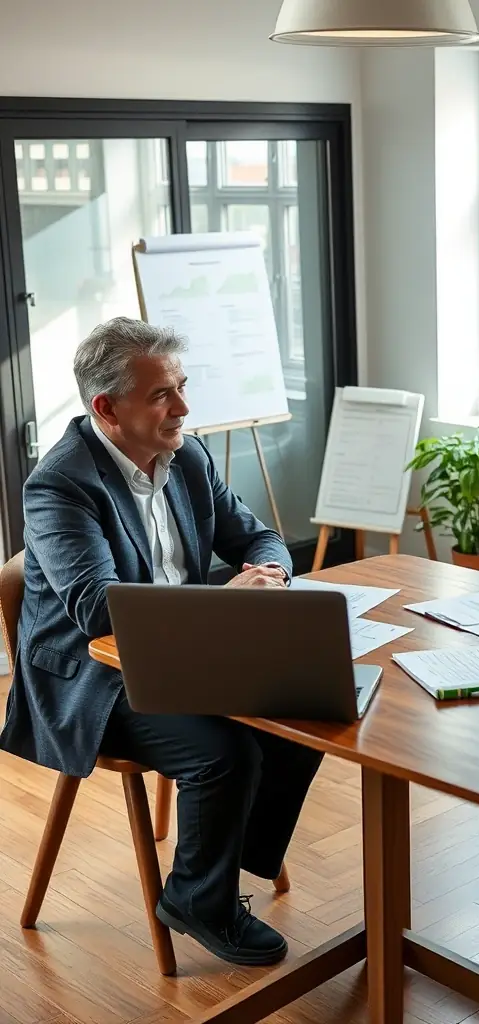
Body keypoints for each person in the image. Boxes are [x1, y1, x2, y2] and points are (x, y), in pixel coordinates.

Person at [0, 317, 323, 966]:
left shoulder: (189, 457)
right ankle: (199, 900)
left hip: (190, 652)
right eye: (161, 395)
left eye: (181, 386)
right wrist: (229, 599)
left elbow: (257, 536)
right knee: (226, 751)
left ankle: (225, 868)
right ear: (106, 408)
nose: (183, 407)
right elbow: (98, 610)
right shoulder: (60, 485)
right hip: (96, 676)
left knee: (307, 707)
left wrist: (271, 573)